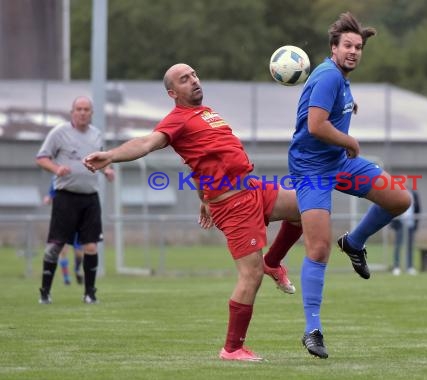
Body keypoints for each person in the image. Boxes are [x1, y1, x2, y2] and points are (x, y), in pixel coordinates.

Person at [83, 63, 303, 362]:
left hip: (253, 189)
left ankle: (273, 262)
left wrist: (205, 198)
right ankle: (232, 348)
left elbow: (200, 162)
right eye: (184, 80)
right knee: (250, 276)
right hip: (234, 205)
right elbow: (146, 143)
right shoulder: (177, 120)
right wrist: (110, 155)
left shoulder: (207, 113)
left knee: (306, 207)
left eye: (194, 75)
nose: (194, 81)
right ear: (173, 93)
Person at [288, 12, 411, 359]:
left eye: (358, 47)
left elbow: (331, 105)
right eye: (348, 46)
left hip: (338, 163)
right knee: (318, 249)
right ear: (334, 48)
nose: (354, 51)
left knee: (400, 199)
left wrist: (348, 104)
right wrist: (348, 139)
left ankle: (354, 242)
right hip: (312, 169)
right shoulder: (329, 75)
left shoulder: (339, 78)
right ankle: (313, 329)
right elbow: (315, 125)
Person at [36, 96, 115, 305]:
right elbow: (42, 157)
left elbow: (102, 161)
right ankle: (45, 292)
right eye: (78, 109)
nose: (82, 112)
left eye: (86, 109)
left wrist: (107, 170)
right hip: (65, 197)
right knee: (56, 245)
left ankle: (90, 294)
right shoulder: (59, 133)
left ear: (92, 113)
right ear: (72, 112)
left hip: (90, 197)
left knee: (91, 246)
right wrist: (57, 169)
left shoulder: (97, 135)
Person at [43, 177, 84, 285]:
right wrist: (48, 198)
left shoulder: (80, 176)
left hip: (78, 220)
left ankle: (77, 270)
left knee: (79, 251)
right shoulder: (57, 177)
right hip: (63, 219)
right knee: (62, 249)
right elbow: (51, 194)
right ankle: (66, 278)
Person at [390, 186, 421, 276]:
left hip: (410, 224)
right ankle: (396, 267)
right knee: (398, 246)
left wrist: (416, 223)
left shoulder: (413, 194)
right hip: (400, 224)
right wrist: (394, 223)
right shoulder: (396, 193)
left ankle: (409, 267)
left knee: (410, 246)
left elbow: (418, 208)